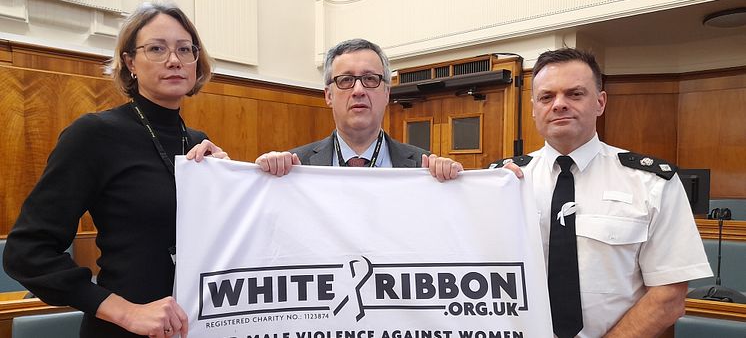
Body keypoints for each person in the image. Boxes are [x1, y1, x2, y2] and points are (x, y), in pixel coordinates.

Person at [3, 1, 227, 338]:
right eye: (156, 48)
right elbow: (27, 252)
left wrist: (228, 183)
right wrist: (125, 312)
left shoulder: (198, 143)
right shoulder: (94, 134)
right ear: (129, 62)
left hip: (198, 325)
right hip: (124, 330)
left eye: (185, 49)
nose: (174, 60)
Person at [490, 48, 712, 337]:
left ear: (600, 102)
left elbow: (669, 295)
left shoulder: (652, 182)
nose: (559, 104)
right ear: (533, 109)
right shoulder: (502, 182)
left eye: (575, 94)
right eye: (547, 97)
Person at [254, 38, 462, 180]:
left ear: (387, 93)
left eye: (370, 79)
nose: (359, 90)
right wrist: (266, 176)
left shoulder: (423, 167)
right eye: (346, 80)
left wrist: (454, 185)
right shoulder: (294, 168)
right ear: (329, 95)